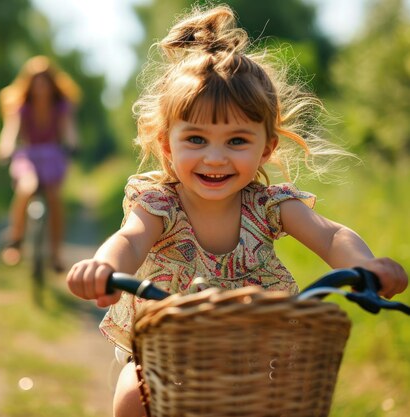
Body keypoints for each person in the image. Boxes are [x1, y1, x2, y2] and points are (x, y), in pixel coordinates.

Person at [65, 5, 408, 417]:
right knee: (131, 396)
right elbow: (130, 239)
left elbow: (330, 235)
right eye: (195, 138)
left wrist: (367, 267)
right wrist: (103, 269)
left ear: (266, 147)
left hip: (259, 358)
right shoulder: (161, 204)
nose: (215, 158)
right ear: (167, 144)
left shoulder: (270, 206)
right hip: (167, 353)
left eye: (236, 141)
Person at [0, 56, 81, 272]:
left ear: (51, 84)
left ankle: (55, 254)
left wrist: (72, 144)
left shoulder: (61, 107)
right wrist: (5, 148)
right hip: (28, 156)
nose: (40, 86)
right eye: (36, 81)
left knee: (54, 197)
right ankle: (15, 240)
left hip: (52, 156)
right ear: (29, 83)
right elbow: (11, 131)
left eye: (44, 81)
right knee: (26, 187)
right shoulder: (21, 107)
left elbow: (69, 130)